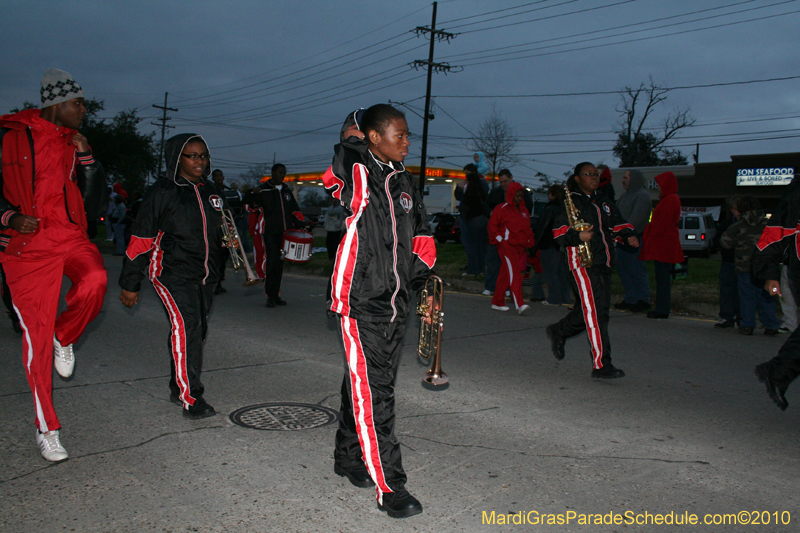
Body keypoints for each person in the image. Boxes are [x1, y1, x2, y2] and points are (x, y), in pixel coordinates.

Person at [322, 105, 436, 519]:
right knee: (378, 393)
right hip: (358, 298)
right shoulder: (356, 170)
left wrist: (423, 285)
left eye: (408, 135)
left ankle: (348, 458)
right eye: (399, 135)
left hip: (396, 299)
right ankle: (392, 487)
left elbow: (422, 234)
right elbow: (338, 171)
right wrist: (354, 134)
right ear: (372, 137)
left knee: (369, 382)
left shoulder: (405, 180)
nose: (408, 142)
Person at [0, 68, 107, 461]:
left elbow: (95, 204)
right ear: (56, 104)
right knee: (36, 341)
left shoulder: (74, 142)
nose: (83, 110)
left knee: (95, 279)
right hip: (27, 249)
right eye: (78, 104)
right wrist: (8, 218)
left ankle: (66, 335)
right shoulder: (10, 138)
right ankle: (47, 428)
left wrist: (89, 160)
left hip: (70, 237)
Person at [119, 133, 225, 420]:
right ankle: (191, 398)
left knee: (196, 330)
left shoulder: (211, 191)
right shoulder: (163, 192)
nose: (199, 160)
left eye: (203, 155)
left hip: (206, 274)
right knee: (188, 326)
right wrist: (131, 282)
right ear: (178, 159)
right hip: (172, 273)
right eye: (192, 155)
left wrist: (229, 243)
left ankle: (176, 383)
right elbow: (141, 238)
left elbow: (218, 230)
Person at [545, 162, 638, 379]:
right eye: (588, 174)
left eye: (596, 174)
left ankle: (559, 330)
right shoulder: (571, 203)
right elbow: (558, 233)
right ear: (577, 178)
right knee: (596, 314)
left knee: (596, 311)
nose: (594, 177)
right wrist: (579, 237)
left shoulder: (603, 201)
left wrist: (628, 236)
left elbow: (618, 225)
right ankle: (601, 365)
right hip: (582, 263)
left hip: (603, 262)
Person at [752, 175, 800, 410]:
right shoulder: (796, 195)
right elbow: (772, 237)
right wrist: (769, 274)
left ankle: (778, 371)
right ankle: (777, 371)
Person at [244, 163, 305, 308]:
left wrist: (301, 224)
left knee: (279, 265)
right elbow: (248, 206)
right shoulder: (264, 190)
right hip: (269, 233)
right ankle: (270, 296)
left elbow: (294, 210)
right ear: (273, 173)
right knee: (271, 264)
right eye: (279, 173)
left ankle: (276, 295)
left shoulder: (286, 190)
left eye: (284, 173)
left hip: (285, 234)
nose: (282, 176)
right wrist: (253, 193)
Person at [719, 195, 779, 336]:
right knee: (767, 295)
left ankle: (747, 325)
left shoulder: (738, 226)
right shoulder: (768, 225)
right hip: (766, 267)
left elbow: (725, 243)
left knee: (747, 296)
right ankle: (771, 324)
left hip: (744, 266)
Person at [638, 171, 684, 319]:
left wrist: (650, 233)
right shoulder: (670, 199)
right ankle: (662, 307)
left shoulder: (669, 200)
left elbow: (661, 224)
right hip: (664, 242)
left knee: (662, 277)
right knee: (662, 277)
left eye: (660, 184)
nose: (658, 187)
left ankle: (662, 308)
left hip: (663, 243)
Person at [482, 169, 533, 295]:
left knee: (510, 262)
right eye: (501, 182)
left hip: (513, 234)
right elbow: (485, 206)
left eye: (505, 181)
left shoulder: (521, 192)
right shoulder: (495, 192)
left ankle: (509, 288)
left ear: (511, 178)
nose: (503, 184)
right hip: (498, 232)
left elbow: (528, 207)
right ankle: (490, 286)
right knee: (493, 260)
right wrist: (492, 213)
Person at [488, 181, 534, 314]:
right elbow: (492, 225)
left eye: (521, 196)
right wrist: (499, 239)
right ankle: (519, 304)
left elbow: (527, 228)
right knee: (515, 274)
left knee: (506, 274)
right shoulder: (501, 208)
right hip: (506, 246)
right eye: (517, 196)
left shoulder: (524, 211)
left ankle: (497, 301)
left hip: (519, 247)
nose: (519, 198)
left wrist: (529, 242)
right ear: (511, 195)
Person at [614, 169, 652, 313]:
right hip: (621, 240)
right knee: (624, 270)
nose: (623, 180)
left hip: (635, 239)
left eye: (626, 177)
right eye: (623, 177)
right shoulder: (624, 196)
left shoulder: (643, 196)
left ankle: (643, 299)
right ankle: (630, 298)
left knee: (636, 270)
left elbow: (637, 218)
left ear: (634, 179)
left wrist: (624, 231)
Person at [531, 184, 571, 306]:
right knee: (560, 272)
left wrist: (535, 245)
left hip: (548, 244)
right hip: (559, 244)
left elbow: (543, 228)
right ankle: (564, 297)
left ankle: (554, 298)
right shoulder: (564, 210)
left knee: (550, 272)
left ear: (552, 195)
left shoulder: (550, 209)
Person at [713, 196, 741, 328]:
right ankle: (726, 316)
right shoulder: (726, 225)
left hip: (743, 264)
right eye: (735, 209)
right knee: (726, 289)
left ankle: (742, 317)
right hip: (728, 261)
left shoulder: (749, 226)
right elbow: (717, 240)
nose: (738, 212)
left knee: (742, 291)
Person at [459, 171, 489, 276]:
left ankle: (472, 270)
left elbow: (465, 206)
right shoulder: (481, 191)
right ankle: (481, 270)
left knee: (472, 246)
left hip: (472, 220)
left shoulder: (469, 192)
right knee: (480, 246)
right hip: (482, 219)